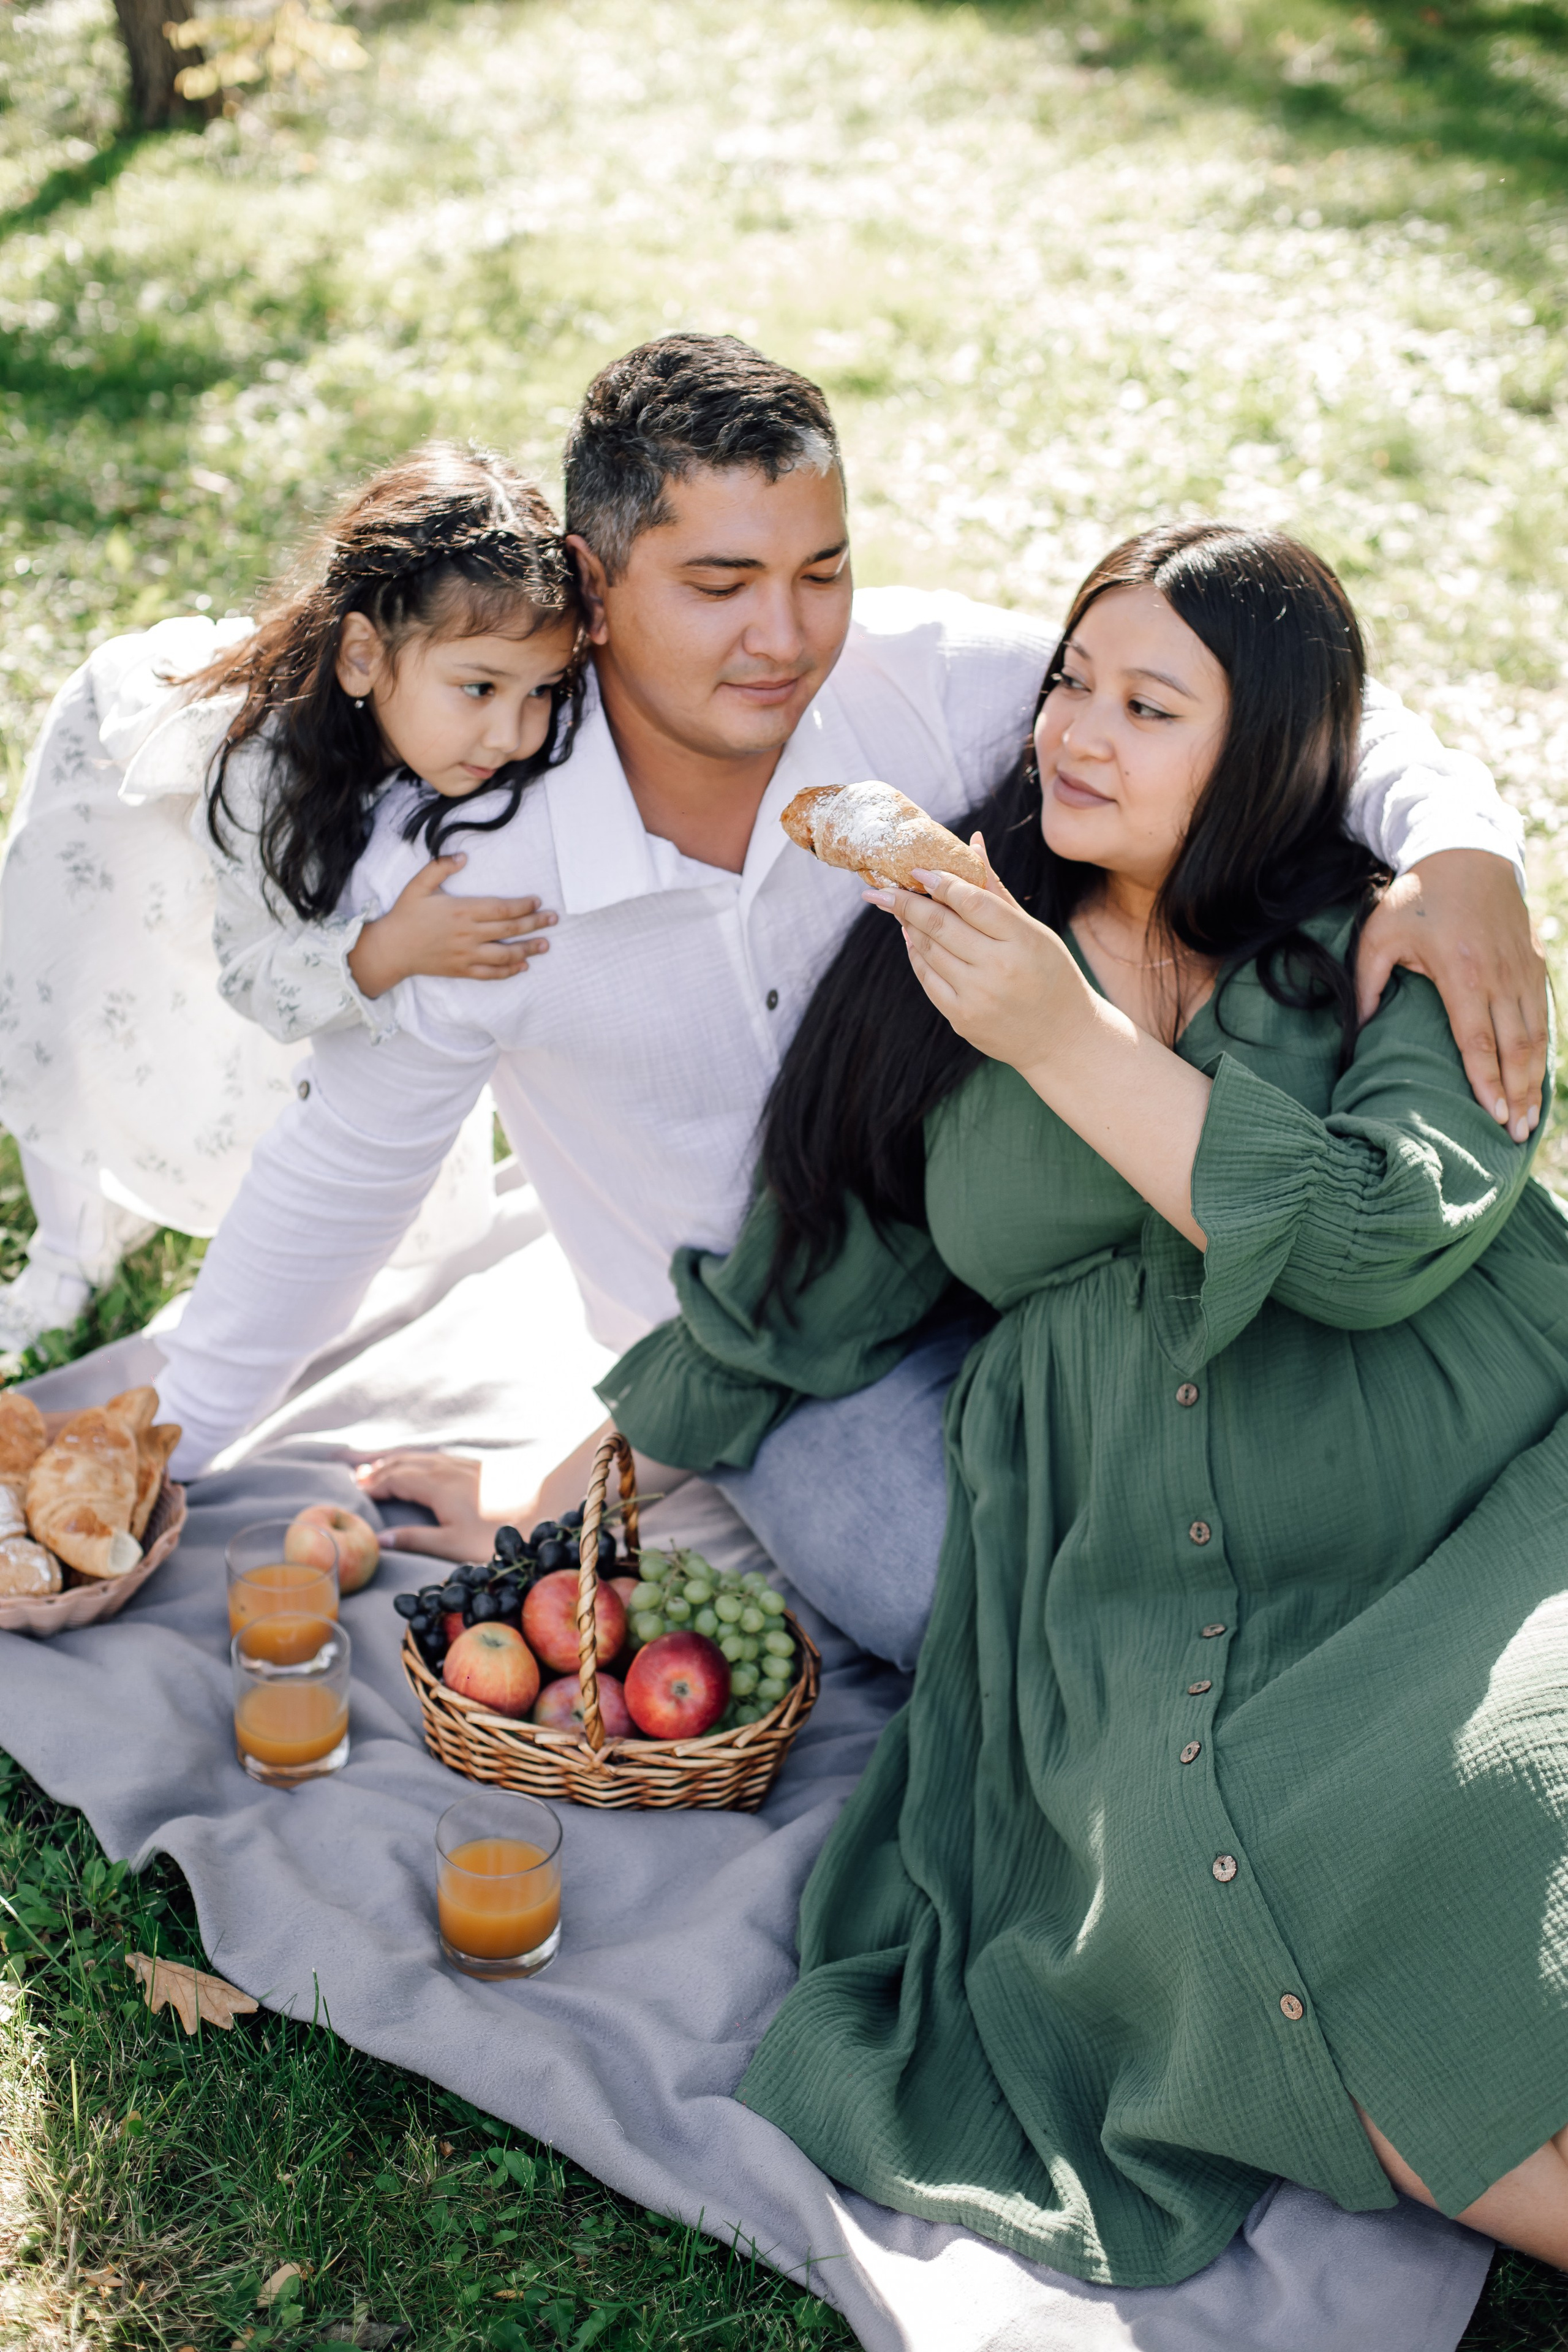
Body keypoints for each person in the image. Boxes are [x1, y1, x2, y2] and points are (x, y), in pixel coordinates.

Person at [155, 338, 1544, 1633]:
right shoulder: (470, 872)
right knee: (964, 1601)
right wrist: (162, 1449)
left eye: (821, 571)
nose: (784, 636)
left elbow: (1255, 690)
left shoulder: (933, 686)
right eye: (719, 586)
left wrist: (1460, 850)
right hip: (775, 1340)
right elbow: (344, 1166)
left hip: (1049, 1235)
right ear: (592, 585)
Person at [599, 522, 1568, 2285]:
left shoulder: (1376, 940)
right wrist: (568, 1484)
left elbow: (1368, 1240)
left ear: (1267, 748)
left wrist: (1063, 1038)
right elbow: (812, 1280)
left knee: (1497, 1787)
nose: (1074, 731)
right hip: (1139, 1566)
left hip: (1467, 1502)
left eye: (1147, 705)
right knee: (1213, 1899)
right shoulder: (961, 946)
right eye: (1069, 681)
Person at [0, 445, 583, 1350]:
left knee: (293, 1036)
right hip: (127, 800)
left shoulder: (458, 728)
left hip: (301, 819)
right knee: (106, 1022)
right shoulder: (259, 766)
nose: (514, 732)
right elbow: (254, 973)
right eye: (479, 688)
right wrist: (390, 947)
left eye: (543, 689)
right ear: (362, 657)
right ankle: (72, 1248)